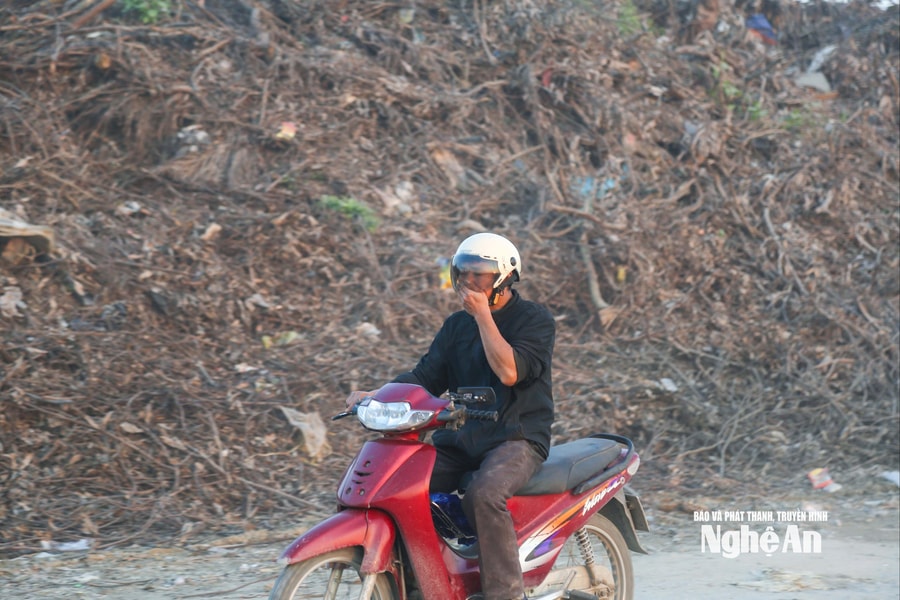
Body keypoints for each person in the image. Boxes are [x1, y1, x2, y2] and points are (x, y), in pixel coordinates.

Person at [347, 232, 556, 600]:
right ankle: (425, 580)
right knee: (399, 484)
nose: (469, 281)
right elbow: (425, 378)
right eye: (463, 272)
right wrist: (375, 394)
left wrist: (483, 316)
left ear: (505, 277)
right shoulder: (457, 326)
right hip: (461, 436)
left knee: (484, 494)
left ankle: (506, 594)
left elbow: (510, 372)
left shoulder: (534, 320)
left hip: (516, 438)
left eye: (480, 274)